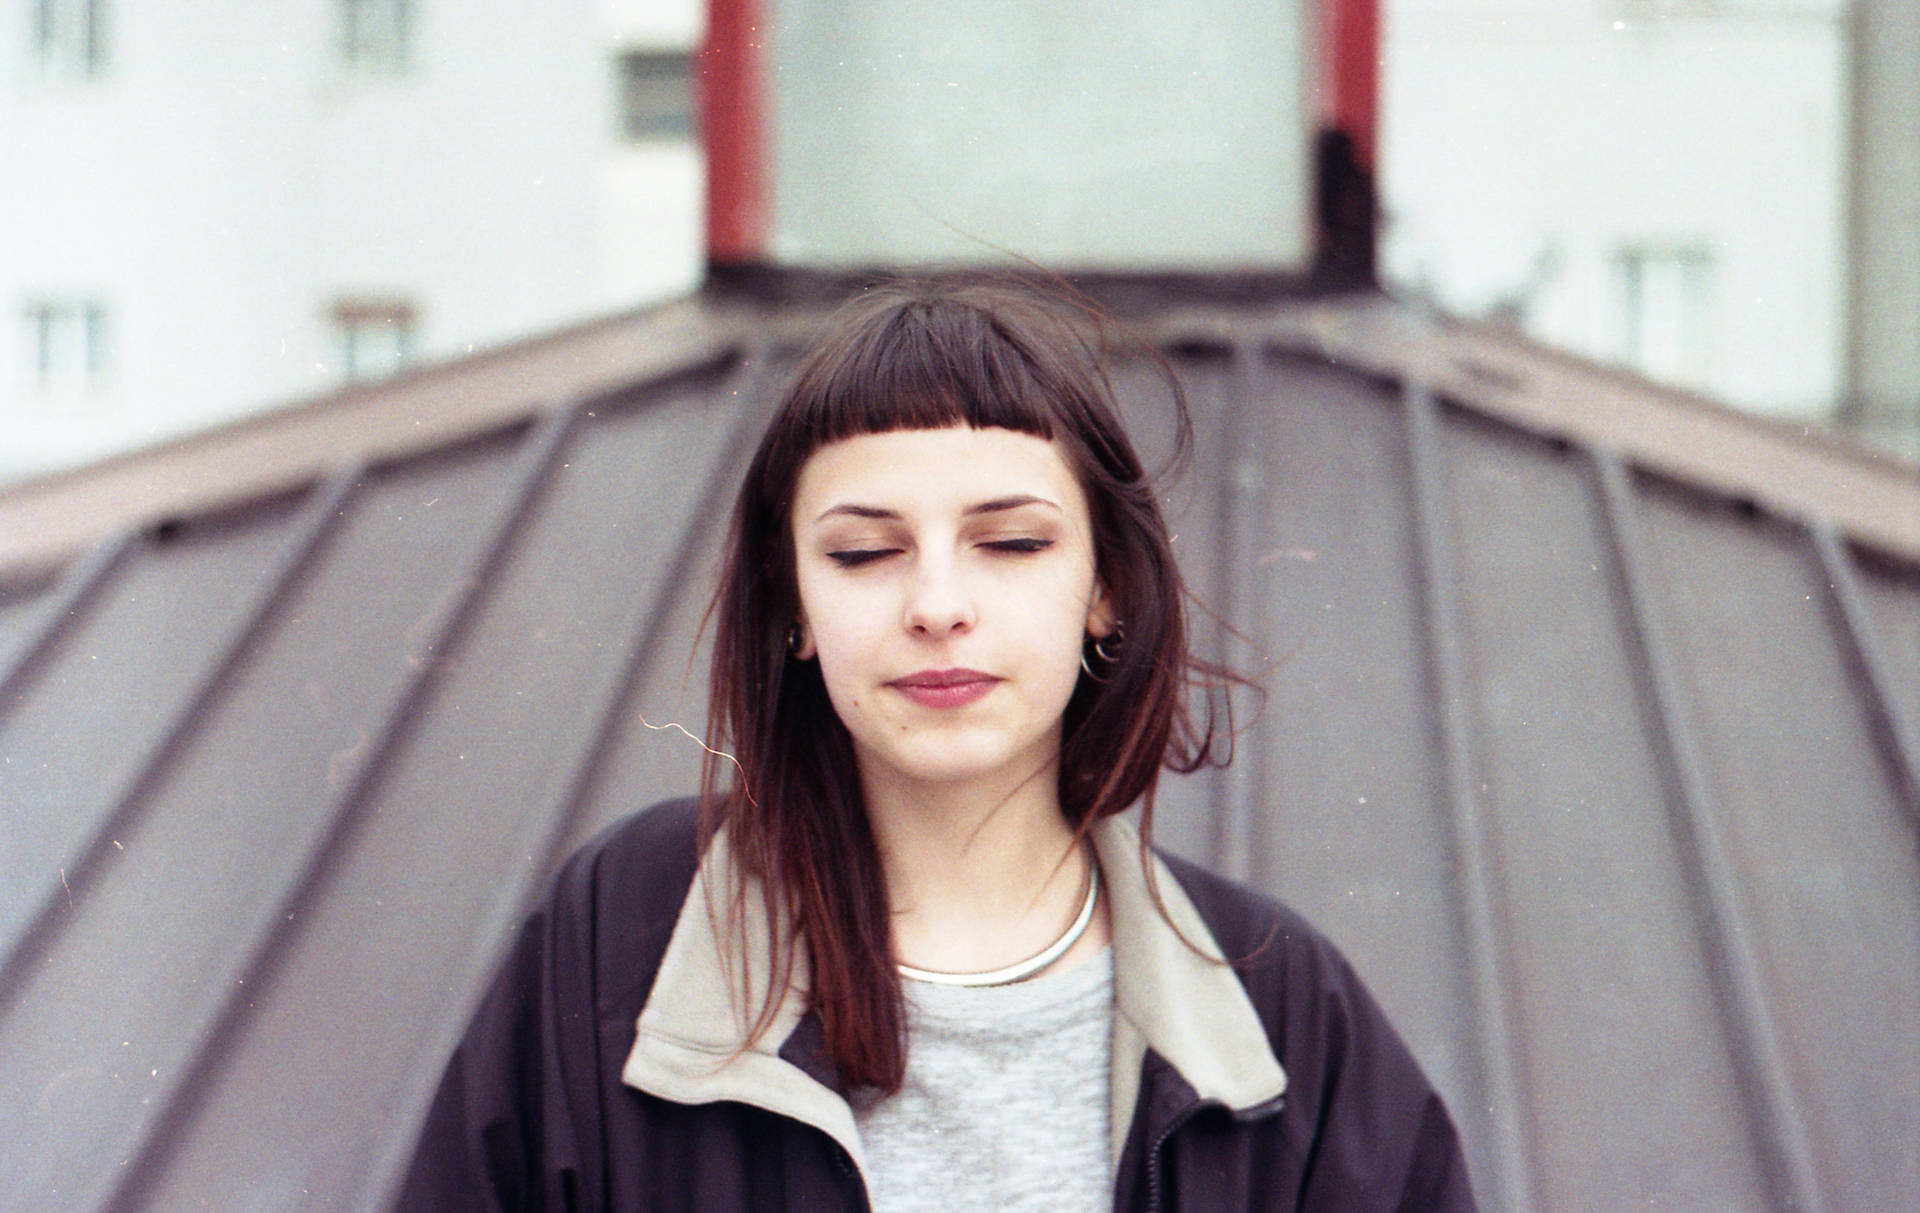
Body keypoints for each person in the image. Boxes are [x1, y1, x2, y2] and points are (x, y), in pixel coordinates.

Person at [395, 278, 1477, 1211]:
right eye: (865, 553)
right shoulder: (617, 938)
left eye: (1011, 541)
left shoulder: (1284, 1015)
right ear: (795, 607)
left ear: (1105, 587)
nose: (938, 603)